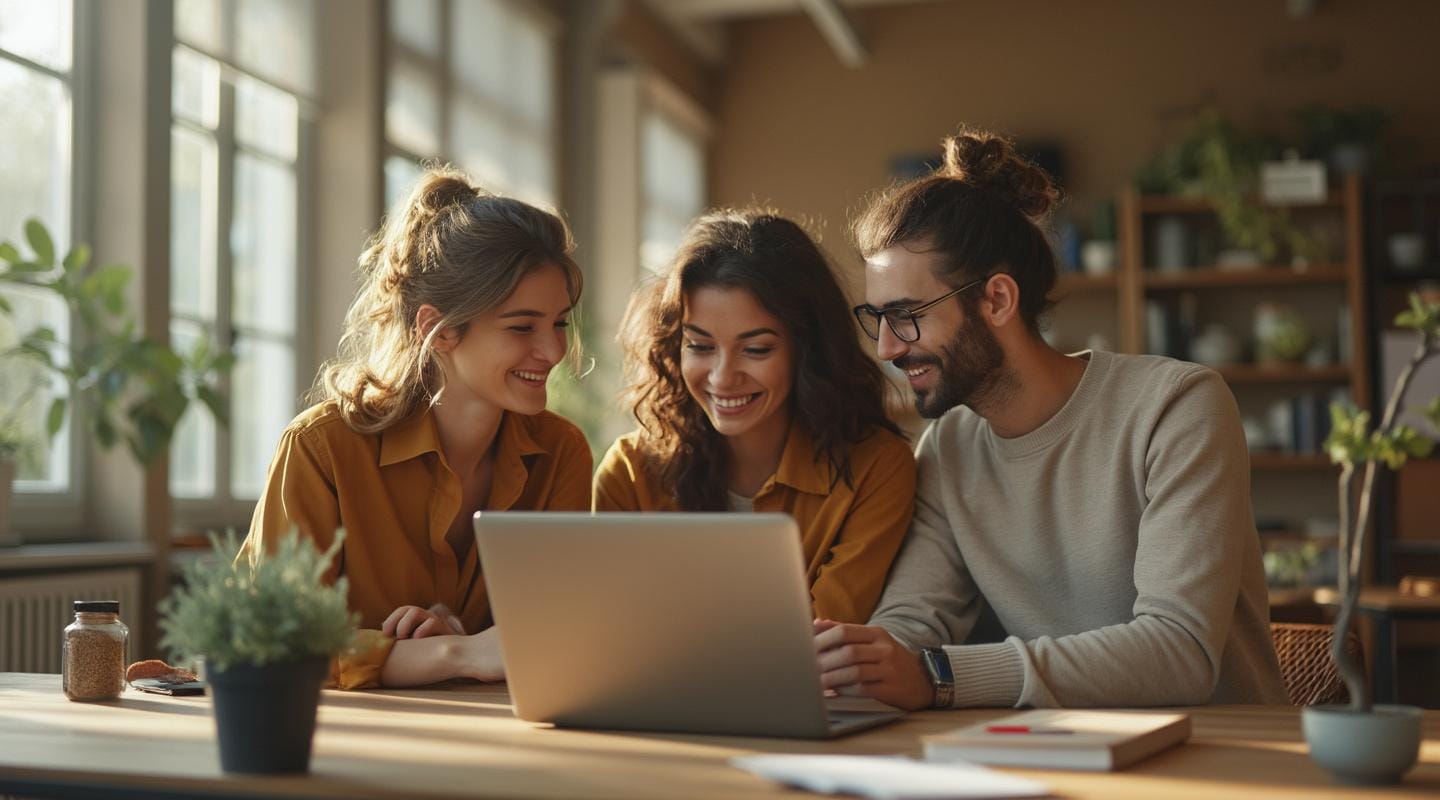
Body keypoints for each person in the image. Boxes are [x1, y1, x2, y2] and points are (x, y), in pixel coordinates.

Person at [816, 129, 1287, 708]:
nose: (887, 348)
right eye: (877, 319)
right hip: (1050, 754)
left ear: (997, 300)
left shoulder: (1177, 406)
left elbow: (1179, 649)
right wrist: (851, 662)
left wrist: (939, 676)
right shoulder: (949, 447)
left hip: (1218, 759)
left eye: (907, 315)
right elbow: (916, 622)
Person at [240, 167, 592, 689]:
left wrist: (451, 639)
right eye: (523, 327)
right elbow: (264, 643)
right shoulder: (322, 448)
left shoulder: (561, 451)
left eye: (559, 323)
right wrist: (455, 654)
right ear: (438, 329)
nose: (554, 350)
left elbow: (557, 634)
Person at [593, 209, 915, 623]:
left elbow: (821, 638)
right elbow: (611, 629)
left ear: (808, 351)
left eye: (757, 349)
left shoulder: (877, 467)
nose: (723, 378)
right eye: (700, 346)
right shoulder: (629, 473)